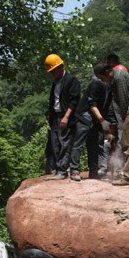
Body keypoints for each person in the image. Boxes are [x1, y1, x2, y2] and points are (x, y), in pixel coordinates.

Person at [68, 63, 112, 181]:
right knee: (79, 143)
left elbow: (107, 106)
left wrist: (107, 124)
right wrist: (103, 121)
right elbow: (92, 104)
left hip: (96, 118)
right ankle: (74, 170)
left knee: (94, 145)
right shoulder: (97, 83)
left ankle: (93, 172)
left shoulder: (109, 84)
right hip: (84, 115)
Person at [44, 53, 81, 181]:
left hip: (66, 117)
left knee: (65, 143)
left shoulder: (71, 80)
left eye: (53, 71)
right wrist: (49, 115)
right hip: (55, 117)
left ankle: (62, 170)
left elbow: (74, 101)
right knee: (55, 143)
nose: (52, 74)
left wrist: (66, 117)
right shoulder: (55, 82)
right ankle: (59, 169)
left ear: (60, 67)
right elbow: (53, 100)